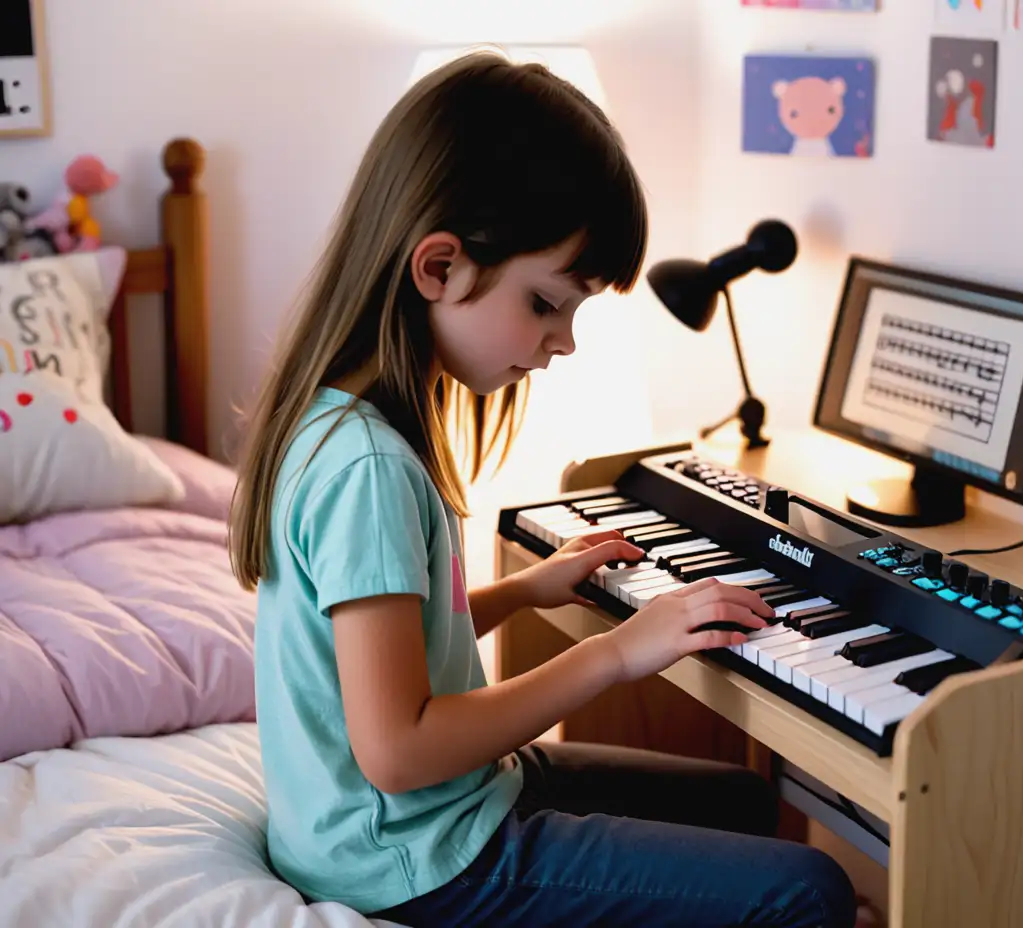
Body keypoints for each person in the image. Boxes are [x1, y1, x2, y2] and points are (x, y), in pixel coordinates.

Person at [227, 50, 861, 928]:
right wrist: (620, 651)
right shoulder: (365, 467)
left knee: (739, 800)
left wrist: (527, 589)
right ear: (437, 267)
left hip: (412, 820)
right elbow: (399, 750)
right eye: (546, 303)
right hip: (411, 858)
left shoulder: (342, 421)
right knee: (811, 890)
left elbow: (387, 647)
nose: (562, 341)